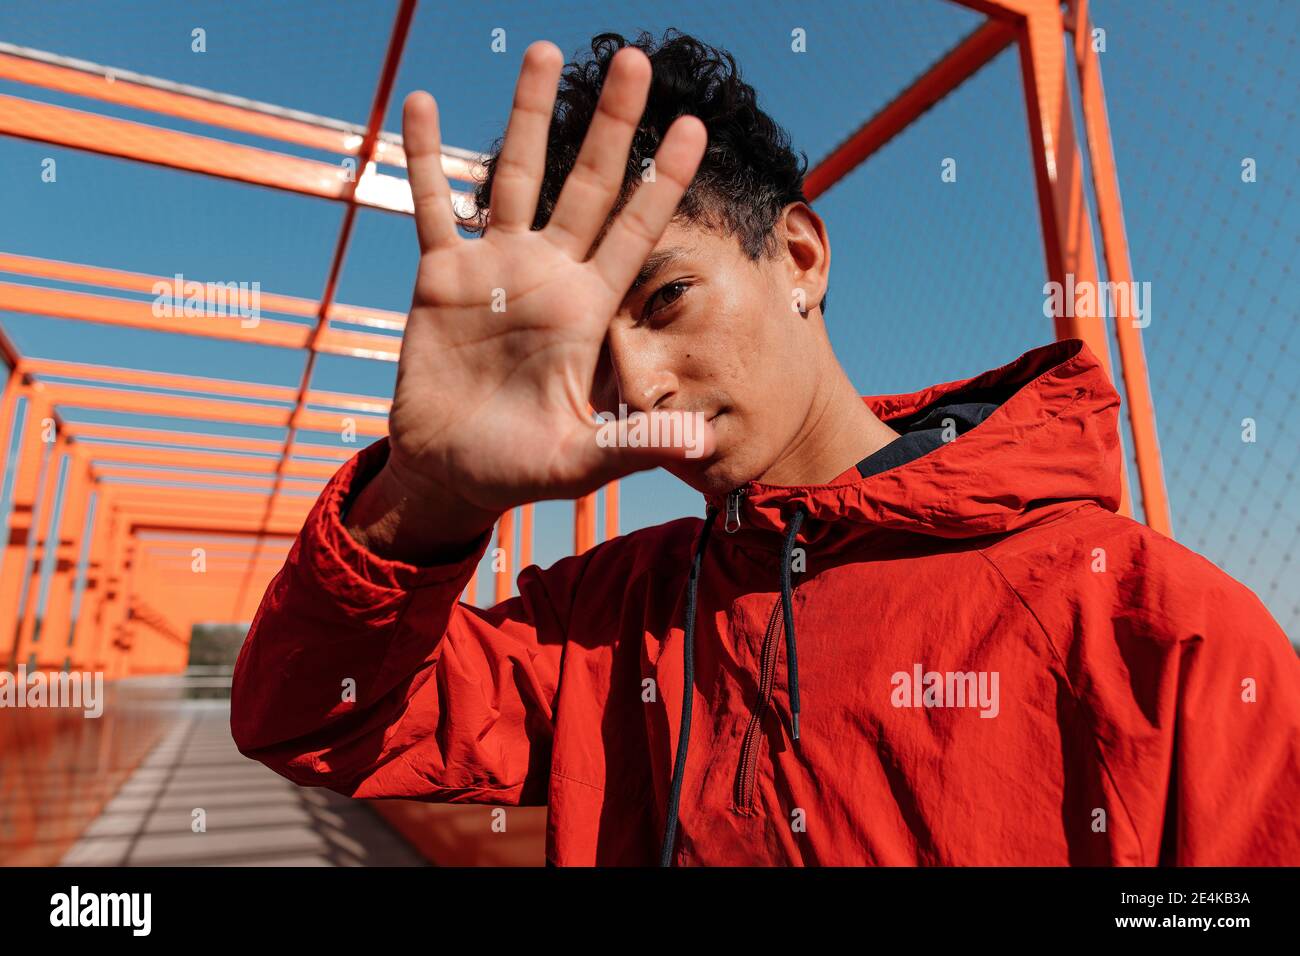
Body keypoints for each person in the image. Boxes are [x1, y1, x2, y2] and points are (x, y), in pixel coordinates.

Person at [230, 29, 1300, 866]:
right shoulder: (610, 624)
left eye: (667, 296)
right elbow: (304, 715)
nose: (636, 385)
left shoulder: (1159, 633)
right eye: (593, 354)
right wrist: (426, 495)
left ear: (798, 255)